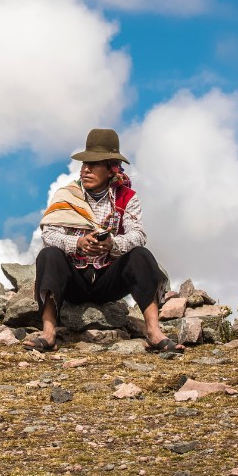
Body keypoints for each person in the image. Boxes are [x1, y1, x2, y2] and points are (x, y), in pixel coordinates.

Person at [25, 128, 180, 353]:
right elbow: (49, 235)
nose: (86, 169)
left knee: (140, 256)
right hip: (74, 280)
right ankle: (49, 333)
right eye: (84, 164)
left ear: (111, 169)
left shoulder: (127, 198)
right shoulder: (67, 196)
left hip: (109, 279)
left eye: (94, 164)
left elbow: (138, 235)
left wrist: (112, 245)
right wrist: (77, 243)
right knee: (48, 255)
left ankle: (154, 332)